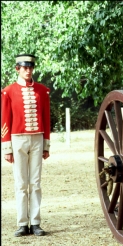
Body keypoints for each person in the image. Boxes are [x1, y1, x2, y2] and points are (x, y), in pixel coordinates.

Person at [1, 54, 51, 237]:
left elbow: (46, 118)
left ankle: (36, 222)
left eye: (30, 67)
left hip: (37, 139)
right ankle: (22, 223)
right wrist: (7, 148)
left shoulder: (42, 91)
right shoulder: (8, 92)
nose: (28, 71)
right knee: (21, 184)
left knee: (35, 183)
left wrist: (46, 144)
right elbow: (4, 120)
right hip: (17, 139)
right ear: (17, 69)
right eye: (24, 67)